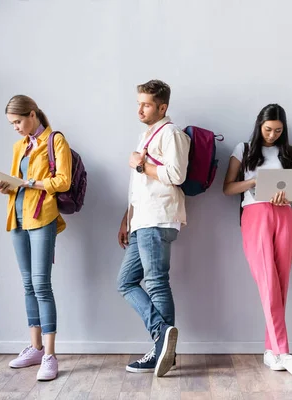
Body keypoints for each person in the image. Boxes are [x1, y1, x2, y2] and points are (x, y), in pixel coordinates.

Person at [223, 103, 292, 377]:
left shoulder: (291, 153)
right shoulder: (244, 150)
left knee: (281, 283)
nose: (272, 135)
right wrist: (254, 182)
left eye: (278, 130)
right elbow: (227, 188)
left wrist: (284, 194)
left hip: (285, 215)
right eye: (268, 129)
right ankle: (283, 351)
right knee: (268, 281)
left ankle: (271, 352)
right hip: (254, 214)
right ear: (260, 125)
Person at [0, 95, 72, 381]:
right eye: (11, 124)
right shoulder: (20, 146)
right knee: (27, 284)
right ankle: (35, 347)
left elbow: (63, 181)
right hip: (17, 217)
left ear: (32, 114)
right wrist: (6, 186)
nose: (15, 127)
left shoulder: (56, 141)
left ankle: (50, 355)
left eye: (17, 121)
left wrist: (30, 183)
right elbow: (17, 183)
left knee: (41, 285)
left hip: (42, 218)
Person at [116, 80, 191, 377]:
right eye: (139, 103)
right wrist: (126, 219)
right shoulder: (145, 135)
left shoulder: (172, 134)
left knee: (157, 282)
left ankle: (161, 347)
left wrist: (139, 165)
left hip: (159, 217)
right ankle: (163, 341)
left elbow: (176, 174)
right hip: (142, 219)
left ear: (163, 107)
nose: (140, 109)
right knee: (125, 282)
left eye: (146, 104)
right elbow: (139, 189)